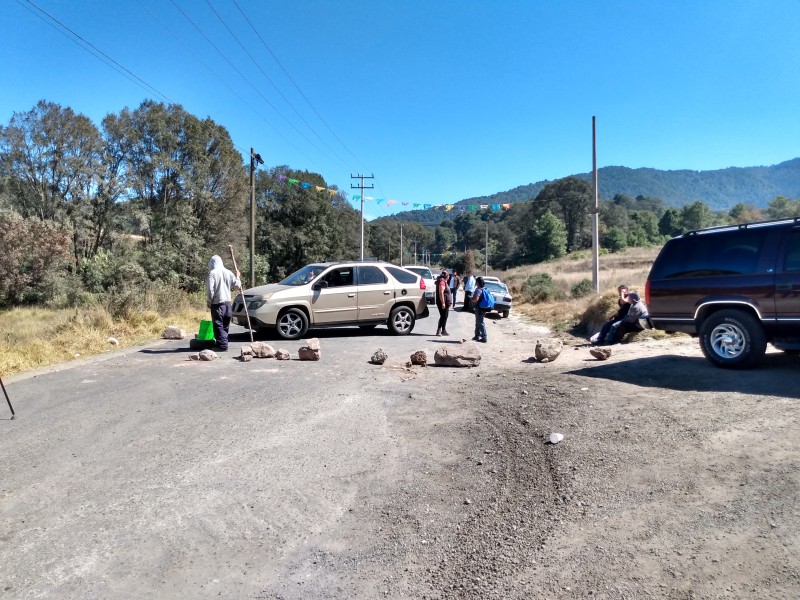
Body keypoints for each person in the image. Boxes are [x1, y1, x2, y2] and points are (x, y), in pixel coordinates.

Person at [206, 255, 241, 351]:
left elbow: (210, 289)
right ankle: (221, 343)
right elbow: (237, 285)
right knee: (225, 324)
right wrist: (237, 276)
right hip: (228, 303)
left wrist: (209, 300)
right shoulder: (228, 272)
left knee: (218, 325)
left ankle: (222, 345)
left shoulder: (212, 273)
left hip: (217, 303)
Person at [471, 276, 488, 343]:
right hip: (483, 308)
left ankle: (484, 337)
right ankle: (477, 335)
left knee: (480, 322)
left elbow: (476, 299)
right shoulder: (484, 289)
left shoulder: (478, 290)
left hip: (479, 308)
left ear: (477, 282)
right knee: (478, 322)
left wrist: (471, 299)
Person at [435, 270, 452, 336]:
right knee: (443, 316)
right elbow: (441, 292)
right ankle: (439, 330)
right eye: (448, 276)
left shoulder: (444, 281)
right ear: (446, 276)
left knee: (445, 316)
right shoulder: (442, 282)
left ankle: (443, 330)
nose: (449, 277)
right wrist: (443, 303)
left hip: (445, 302)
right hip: (442, 302)